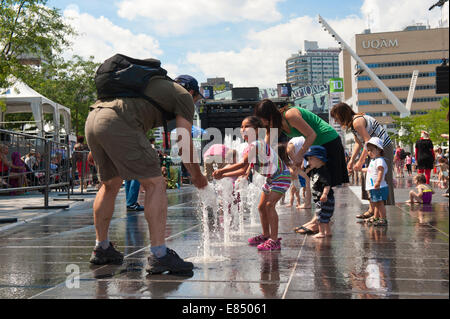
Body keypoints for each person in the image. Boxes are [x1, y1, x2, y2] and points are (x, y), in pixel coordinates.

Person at [85, 73, 208, 275]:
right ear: (192, 91)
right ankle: (160, 255)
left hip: (94, 118)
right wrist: (197, 175)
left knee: (110, 184)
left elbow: (127, 118)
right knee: (155, 183)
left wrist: (98, 145)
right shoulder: (183, 96)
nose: (194, 103)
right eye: (196, 99)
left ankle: (102, 247)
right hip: (118, 122)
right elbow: (184, 140)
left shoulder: (147, 87)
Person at [255, 99, 348, 235]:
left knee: (324, 183)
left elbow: (312, 134)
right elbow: (267, 145)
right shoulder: (275, 124)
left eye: (262, 119)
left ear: (269, 116)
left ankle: (321, 221)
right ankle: (318, 219)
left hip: (328, 142)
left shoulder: (290, 115)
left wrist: (300, 155)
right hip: (316, 146)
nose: (261, 122)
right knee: (317, 183)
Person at [213, 116, 291, 251]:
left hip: (281, 176)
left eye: (246, 126)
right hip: (271, 179)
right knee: (261, 207)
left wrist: (221, 171)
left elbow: (242, 163)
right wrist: (223, 174)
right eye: (242, 127)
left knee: (269, 205)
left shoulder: (257, 144)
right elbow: (243, 169)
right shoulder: (250, 147)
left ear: (256, 130)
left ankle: (274, 240)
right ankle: (266, 235)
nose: (243, 129)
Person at [330, 102, 395, 220]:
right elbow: (358, 143)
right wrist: (351, 161)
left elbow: (368, 142)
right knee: (369, 177)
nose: (335, 121)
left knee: (378, 177)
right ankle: (372, 210)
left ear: (342, 114)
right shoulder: (353, 124)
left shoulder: (357, 122)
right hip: (374, 148)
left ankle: (378, 212)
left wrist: (360, 161)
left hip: (382, 149)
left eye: (336, 118)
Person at [303, 146, 335, 238]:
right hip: (320, 199)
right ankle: (328, 232)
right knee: (325, 217)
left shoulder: (323, 172)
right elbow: (305, 175)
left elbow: (327, 184)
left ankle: (321, 232)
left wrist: (325, 194)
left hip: (324, 199)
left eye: (311, 159)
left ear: (320, 159)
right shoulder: (314, 170)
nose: (308, 162)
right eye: (308, 159)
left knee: (320, 217)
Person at [361, 137, 389, 227]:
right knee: (376, 203)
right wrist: (360, 169)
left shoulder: (380, 160)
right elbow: (369, 170)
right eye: (368, 150)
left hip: (379, 186)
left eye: (372, 150)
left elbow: (380, 171)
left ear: (379, 150)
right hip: (374, 187)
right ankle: (376, 217)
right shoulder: (373, 160)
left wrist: (378, 181)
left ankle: (383, 219)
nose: (369, 152)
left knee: (380, 203)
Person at [285, 136, 311, 209]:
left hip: (295, 184)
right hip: (296, 183)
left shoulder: (294, 169)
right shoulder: (296, 169)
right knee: (296, 195)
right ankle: (298, 203)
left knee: (293, 194)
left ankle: (293, 203)